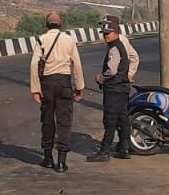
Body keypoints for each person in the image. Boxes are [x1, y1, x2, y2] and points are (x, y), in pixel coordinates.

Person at [30, 11, 85, 173]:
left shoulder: (42, 39)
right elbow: (77, 64)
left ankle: (47, 158)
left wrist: (35, 89)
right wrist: (80, 87)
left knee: (47, 120)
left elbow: (34, 65)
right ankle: (61, 162)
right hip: (65, 83)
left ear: (47, 25)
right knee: (64, 121)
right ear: (61, 25)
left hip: (47, 84)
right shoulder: (69, 40)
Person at [86, 18, 139, 162]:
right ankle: (124, 149)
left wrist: (101, 78)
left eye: (108, 33)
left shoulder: (115, 48)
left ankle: (104, 151)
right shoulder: (120, 44)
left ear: (116, 33)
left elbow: (112, 70)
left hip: (114, 89)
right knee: (122, 119)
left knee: (110, 120)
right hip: (122, 88)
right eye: (104, 33)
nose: (105, 36)